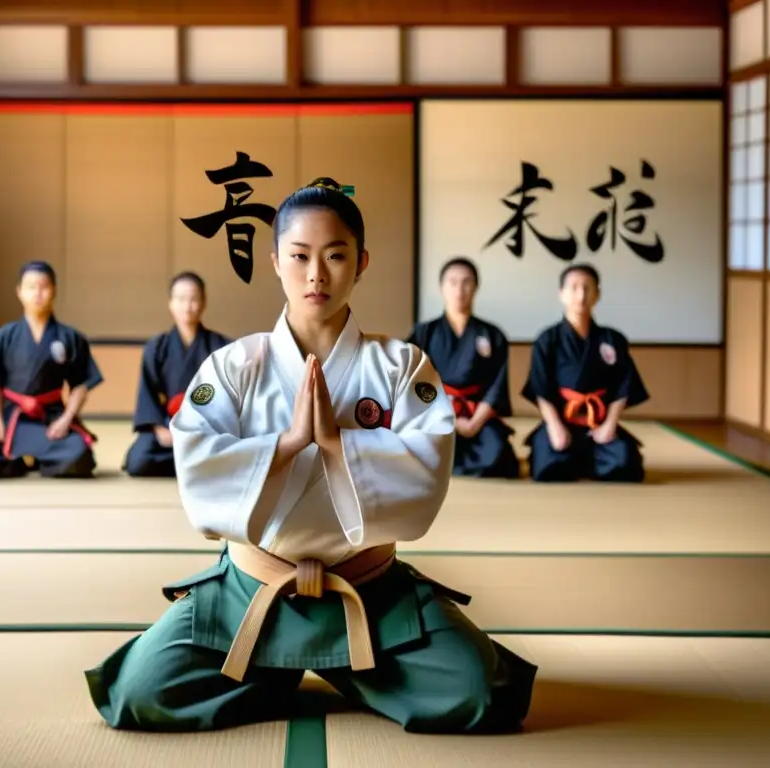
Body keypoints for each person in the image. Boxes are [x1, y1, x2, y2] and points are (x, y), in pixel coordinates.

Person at [84, 178, 537, 735]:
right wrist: (286, 445)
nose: (316, 275)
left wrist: (336, 444)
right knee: (138, 694)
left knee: (480, 697)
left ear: (361, 262)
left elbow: (425, 476)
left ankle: (288, 670)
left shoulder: (401, 366)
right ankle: (284, 669)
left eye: (335, 256)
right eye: (299, 257)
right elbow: (198, 467)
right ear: (276, 261)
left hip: (372, 592)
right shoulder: (234, 366)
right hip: (252, 589)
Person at [0, 261, 103, 480]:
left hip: (49, 420)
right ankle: (16, 462)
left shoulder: (70, 337)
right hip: (9, 416)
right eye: (31, 287)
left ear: (54, 291)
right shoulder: (6, 335)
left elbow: (81, 384)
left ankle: (28, 459)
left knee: (78, 456)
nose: (38, 293)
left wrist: (67, 419)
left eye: (44, 287)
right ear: (20, 293)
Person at [520, 263, 649, 482]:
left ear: (597, 294)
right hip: (562, 420)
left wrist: (609, 424)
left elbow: (623, 386)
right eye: (574, 287)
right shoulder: (547, 340)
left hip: (598, 423)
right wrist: (555, 427)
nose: (581, 295)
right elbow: (540, 389)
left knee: (625, 464)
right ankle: (580, 460)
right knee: (548, 468)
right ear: (561, 294)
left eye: (587, 288)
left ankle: (587, 460)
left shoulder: (612, 339)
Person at [407, 257, 518, 478]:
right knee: (416, 449)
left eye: (467, 282)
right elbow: (412, 380)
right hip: (436, 414)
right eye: (453, 282)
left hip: (477, 414)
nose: (460, 289)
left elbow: (497, 385)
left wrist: (475, 422)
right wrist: (450, 419)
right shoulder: (424, 332)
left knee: (496, 452)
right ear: (442, 287)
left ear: (476, 287)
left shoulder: (492, 334)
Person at [123, 272, 230, 477]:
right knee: (138, 461)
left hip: (207, 427)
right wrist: (159, 430)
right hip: (167, 425)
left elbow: (229, 396)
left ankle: (195, 461)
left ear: (203, 302)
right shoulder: (157, 347)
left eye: (193, 299)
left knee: (233, 452)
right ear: (171, 303)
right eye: (181, 299)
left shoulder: (221, 347)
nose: (187, 306)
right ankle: (196, 464)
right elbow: (148, 395)